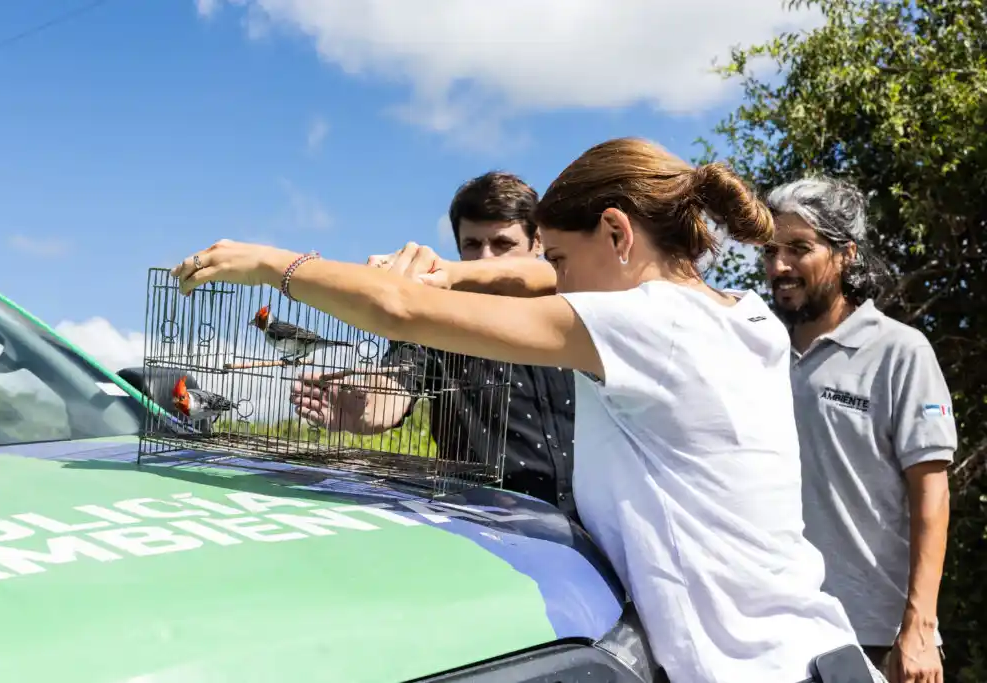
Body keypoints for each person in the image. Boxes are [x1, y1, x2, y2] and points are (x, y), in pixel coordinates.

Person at [172, 137, 882, 683]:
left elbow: (400, 308)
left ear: (617, 233)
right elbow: (533, 273)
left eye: (566, 262)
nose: (557, 285)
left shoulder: (645, 324)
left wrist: (274, 265)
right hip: (823, 652)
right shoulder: (745, 317)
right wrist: (456, 271)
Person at [293, 172, 579, 515]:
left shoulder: (580, 310)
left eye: (503, 245)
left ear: (538, 244)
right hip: (485, 524)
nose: (485, 259)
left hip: (595, 531)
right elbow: (399, 377)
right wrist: (369, 403)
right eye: (472, 245)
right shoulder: (439, 319)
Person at [763, 177, 955, 683]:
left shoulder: (900, 351)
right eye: (771, 250)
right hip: (782, 630)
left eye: (799, 249)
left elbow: (932, 493)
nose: (779, 266)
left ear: (847, 254)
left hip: (879, 635)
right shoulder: (759, 352)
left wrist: (918, 626)